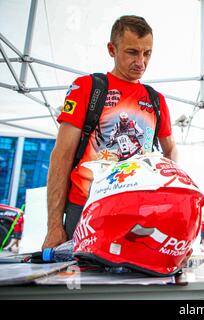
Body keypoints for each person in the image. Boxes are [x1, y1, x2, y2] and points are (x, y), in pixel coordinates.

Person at [43, 15, 177, 250]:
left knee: (135, 283)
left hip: (137, 210)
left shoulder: (156, 100)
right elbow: (61, 156)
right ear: (111, 49)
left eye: (147, 53)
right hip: (86, 207)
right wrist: (54, 224)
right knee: (82, 282)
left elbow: (171, 148)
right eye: (132, 52)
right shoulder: (87, 87)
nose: (141, 62)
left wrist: (164, 187)